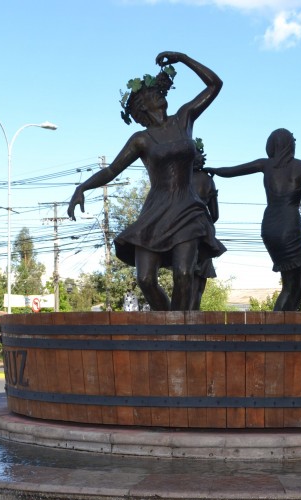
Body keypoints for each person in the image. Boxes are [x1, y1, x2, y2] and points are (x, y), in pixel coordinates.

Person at [67, 52, 225, 311]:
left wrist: (183, 58)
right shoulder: (141, 139)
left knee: (184, 273)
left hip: (187, 208)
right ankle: (166, 328)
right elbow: (111, 171)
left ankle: (179, 334)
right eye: (151, 93)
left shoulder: (184, 118)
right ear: (142, 107)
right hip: (157, 211)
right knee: (145, 279)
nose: (159, 94)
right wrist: (82, 186)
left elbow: (215, 85)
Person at [205, 128, 301, 312]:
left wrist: (214, 171)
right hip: (289, 224)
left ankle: (291, 312)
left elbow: (233, 171)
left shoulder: (265, 164)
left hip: (270, 225)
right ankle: (276, 328)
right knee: (289, 287)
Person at [190, 138, 219, 310]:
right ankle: (194, 320)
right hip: (204, 230)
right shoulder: (207, 180)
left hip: (180, 230)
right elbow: (215, 214)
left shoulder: (178, 179)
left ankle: (183, 321)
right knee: (199, 284)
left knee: (184, 279)